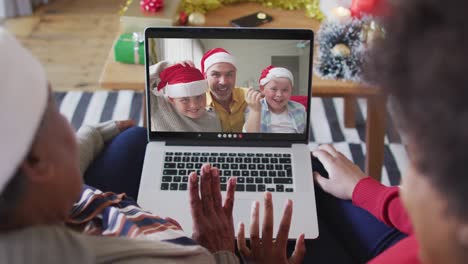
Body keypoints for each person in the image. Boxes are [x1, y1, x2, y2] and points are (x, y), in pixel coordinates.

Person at [239, 0, 468, 263]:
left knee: (251, 236)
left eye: (422, 166)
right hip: (408, 237)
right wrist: (363, 188)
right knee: (312, 167)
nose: (405, 183)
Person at [0, 27, 241, 263]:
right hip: (172, 230)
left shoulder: (38, 204)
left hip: (104, 201)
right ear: (36, 163)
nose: (67, 121)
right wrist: (221, 252)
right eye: (55, 112)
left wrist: (93, 133)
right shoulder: (185, 257)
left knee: (136, 136)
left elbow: (64, 161)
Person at [149, 61, 221, 132]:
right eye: (184, 100)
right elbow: (141, 79)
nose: (194, 105)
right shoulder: (159, 105)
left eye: (199, 97)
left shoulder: (213, 118)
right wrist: (164, 67)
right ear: (171, 100)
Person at [244, 65, 306, 133]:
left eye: (285, 90)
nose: (279, 95)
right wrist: (255, 111)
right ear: (262, 89)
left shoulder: (300, 109)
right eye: (273, 89)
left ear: (291, 91)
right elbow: (250, 138)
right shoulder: (254, 108)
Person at [201, 48, 248, 132]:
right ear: (205, 76)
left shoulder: (248, 96)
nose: (223, 82)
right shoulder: (197, 103)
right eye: (215, 74)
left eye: (229, 74)